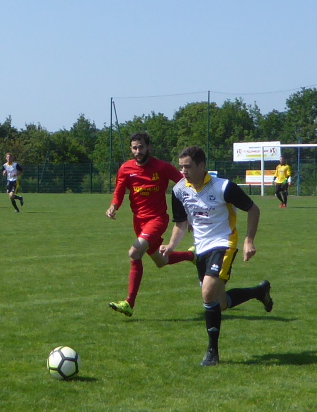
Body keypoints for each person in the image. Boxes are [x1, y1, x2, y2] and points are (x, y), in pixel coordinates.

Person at [160, 146, 273, 366]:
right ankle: (259, 292)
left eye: (188, 167)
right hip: (201, 248)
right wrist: (171, 245)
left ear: (202, 166)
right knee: (219, 303)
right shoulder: (179, 190)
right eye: (181, 167)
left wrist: (249, 240)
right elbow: (181, 223)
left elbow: (253, 209)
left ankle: (212, 352)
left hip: (224, 243)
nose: (183, 171)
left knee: (207, 293)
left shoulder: (224, 187)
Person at [106, 132, 195, 317]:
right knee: (161, 261)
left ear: (149, 147)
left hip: (157, 220)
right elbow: (119, 191)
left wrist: (190, 213)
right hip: (138, 222)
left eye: (141, 147)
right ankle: (192, 255)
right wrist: (114, 206)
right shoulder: (125, 168)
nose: (138, 151)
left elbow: (185, 183)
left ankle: (129, 303)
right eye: (134, 148)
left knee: (134, 253)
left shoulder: (162, 167)